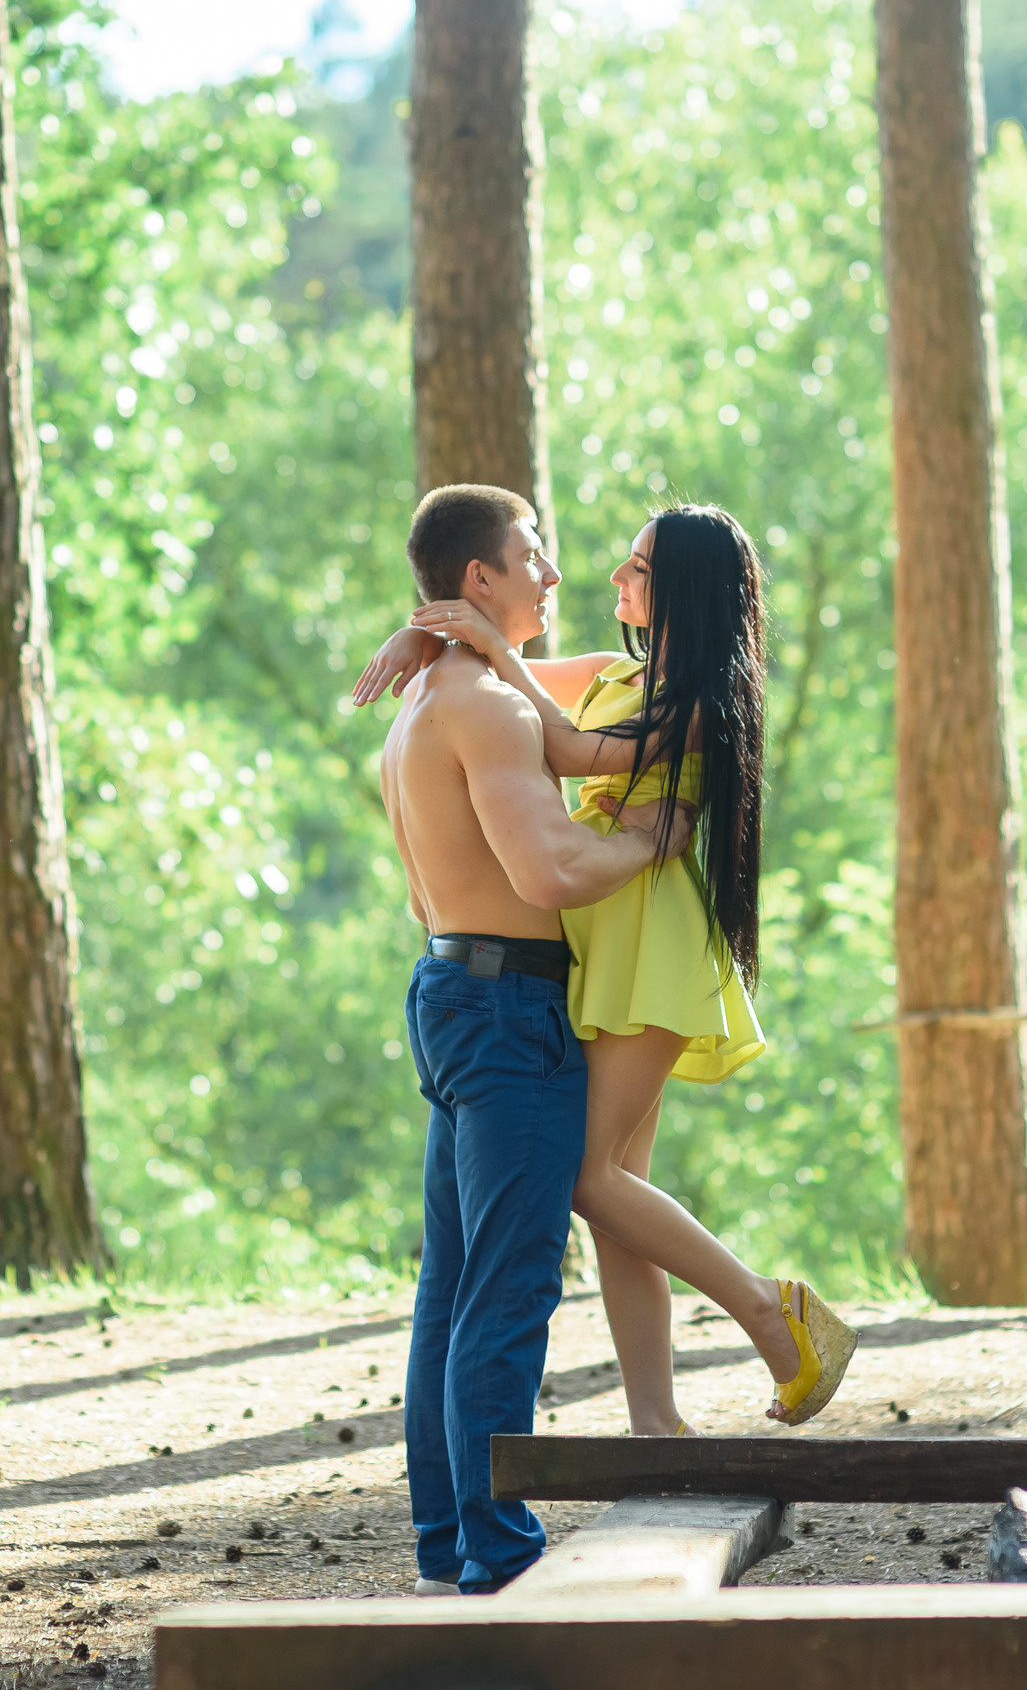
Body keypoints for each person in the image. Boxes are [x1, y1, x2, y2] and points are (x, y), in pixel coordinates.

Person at [357, 502, 858, 1447]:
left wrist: (494, 655)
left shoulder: (702, 701)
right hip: (599, 936)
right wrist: (420, 630)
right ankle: (658, 1424)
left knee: (587, 1177)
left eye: (637, 567)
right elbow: (491, 680)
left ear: (682, 590)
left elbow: (575, 749)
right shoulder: (615, 675)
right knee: (619, 1193)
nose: (614, 579)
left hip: (652, 942)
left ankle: (771, 1311)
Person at [376, 483, 697, 1596]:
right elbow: (550, 869)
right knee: (507, 1289)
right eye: (534, 553)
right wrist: (655, 840)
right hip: (508, 1007)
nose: (554, 574)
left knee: (453, 1285)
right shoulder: (489, 708)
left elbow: (575, 738)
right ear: (481, 579)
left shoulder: (425, 695)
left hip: (448, 989)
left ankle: (446, 1546)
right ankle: (499, 1559)